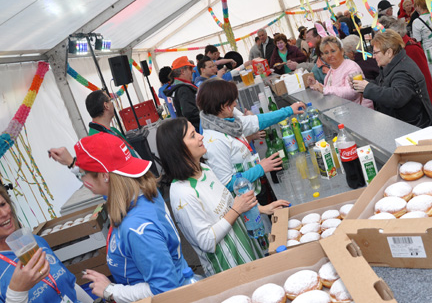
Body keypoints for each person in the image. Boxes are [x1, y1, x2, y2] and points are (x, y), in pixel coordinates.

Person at [156, 118, 289, 277]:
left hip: (246, 249)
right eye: (193, 135)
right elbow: (206, 241)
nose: (201, 137)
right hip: (228, 269)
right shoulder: (182, 193)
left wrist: (263, 209)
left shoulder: (204, 169)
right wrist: (236, 210)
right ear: (178, 149)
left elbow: (229, 204)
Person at [75, 133, 190, 303]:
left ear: (105, 176)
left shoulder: (136, 228)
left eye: (83, 174)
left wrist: (111, 291)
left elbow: (166, 289)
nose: (83, 180)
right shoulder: (140, 192)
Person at [196, 78, 304, 211]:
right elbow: (227, 184)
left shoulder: (229, 123)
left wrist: (289, 110)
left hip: (254, 193)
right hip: (243, 204)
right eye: (233, 101)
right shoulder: (214, 141)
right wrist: (260, 168)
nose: (236, 104)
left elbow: (258, 121)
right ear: (223, 106)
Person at [0, 186, 92, 303]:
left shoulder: (34, 241)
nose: (4, 213)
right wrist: (17, 293)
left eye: (3, 204)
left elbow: (68, 284)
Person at [351, 30, 432, 129]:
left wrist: (367, 88)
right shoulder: (392, 65)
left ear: (389, 52)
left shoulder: (402, 71)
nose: (373, 56)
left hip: (414, 128)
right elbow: (379, 84)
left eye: (376, 52)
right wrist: (361, 85)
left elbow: (396, 96)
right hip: (407, 124)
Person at [378, 16, 432, 124]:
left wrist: (430, 112)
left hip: (420, 108)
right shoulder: (401, 48)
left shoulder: (411, 49)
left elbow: (424, 83)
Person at [306, 34, 374, 109]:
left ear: (341, 51)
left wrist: (324, 89)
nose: (330, 55)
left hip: (359, 113)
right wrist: (315, 84)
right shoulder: (331, 70)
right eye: (326, 53)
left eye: (333, 51)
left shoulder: (352, 67)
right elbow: (329, 89)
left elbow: (353, 92)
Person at [162, 56, 200, 132]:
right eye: (190, 69)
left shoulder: (173, 87)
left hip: (187, 129)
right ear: (182, 71)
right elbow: (189, 112)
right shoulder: (183, 89)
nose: (193, 71)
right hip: (197, 129)